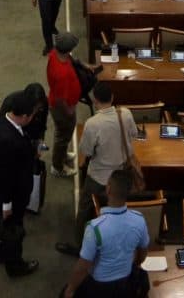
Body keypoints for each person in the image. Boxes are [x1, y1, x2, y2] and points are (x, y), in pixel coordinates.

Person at [62, 82, 139, 259]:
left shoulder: (92, 123)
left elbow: (86, 151)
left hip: (98, 177)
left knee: (84, 208)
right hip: (121, 176)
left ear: (95, 101)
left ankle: (81, 246)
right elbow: (134, 134)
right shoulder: (125, 114)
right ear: (112, 98)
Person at [59, 168, 149, 297]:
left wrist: (70, 289)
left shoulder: (95, 228)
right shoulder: (139, 219)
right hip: (126, 285)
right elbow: (143, 254)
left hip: (100, 288)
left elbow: (83, 267)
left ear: (108, 189)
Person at [0, 91, 41, 278]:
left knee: (4, 223)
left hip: (9, 192)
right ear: (24, 117)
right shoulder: (9, 141)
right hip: (12, 195)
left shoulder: (5, 121)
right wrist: (7, 205)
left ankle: (0, 251)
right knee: (13, 230)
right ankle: (15, 266)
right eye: (31, 116)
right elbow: (5, 176)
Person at [46, 32, 82, 178]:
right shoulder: (62, 74)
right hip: (62, 109)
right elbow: (61, 100)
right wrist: (69, 111)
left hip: (60, 103)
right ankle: (58, 166)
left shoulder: (55, 54)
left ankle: (63, 155)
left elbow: (71, 59)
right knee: (62, 136)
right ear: (67, 50)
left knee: (64, 135)